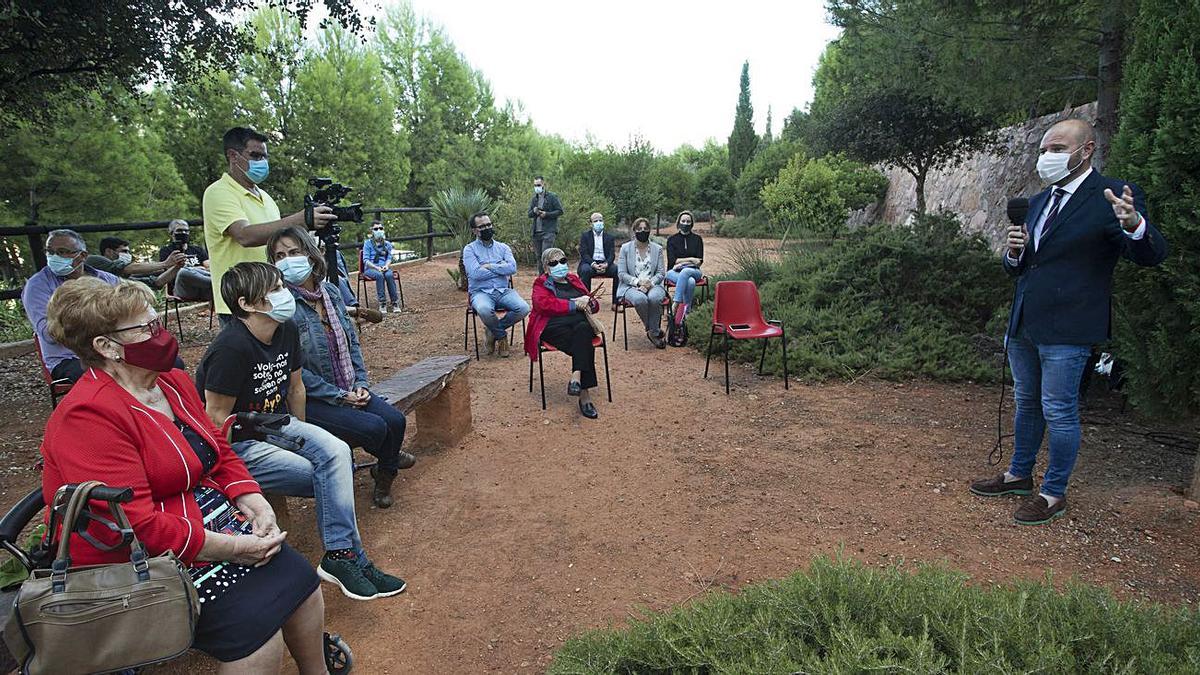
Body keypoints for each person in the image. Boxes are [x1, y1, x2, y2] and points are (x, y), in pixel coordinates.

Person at [40, 276, 331, 671]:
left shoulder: (172, 382)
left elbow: (218, 447)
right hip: (138, 554)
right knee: (257, 634)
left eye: (156, 321)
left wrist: (252, 498)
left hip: (200, 517)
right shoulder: (87, 415)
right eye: (146, 328)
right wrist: (233, 548)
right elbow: (136, 525)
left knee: (302, 583)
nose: (160, 333)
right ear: (107, 347)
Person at [970, 118, 1168, 525]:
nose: (1047, 157)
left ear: (1087, 150)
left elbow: (1151, 255)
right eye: (1043, 150)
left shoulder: (1109, 197)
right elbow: (1025, 266)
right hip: (1025, 321)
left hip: (1070, 326)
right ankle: (1018, 475)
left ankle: (1053, 493)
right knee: (1027, 402)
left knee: (1058, 409)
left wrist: (1133, 225)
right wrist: (1013, 254)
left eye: (1057, 149)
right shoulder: (1040, 201)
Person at [196, 261, 407, 600]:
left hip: (279, 425)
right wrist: (228, 476)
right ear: (247, 304)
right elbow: (215, 418)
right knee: (332, 475)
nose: (285, 294)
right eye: (275, 289)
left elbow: (296, 389)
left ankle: (343, 556)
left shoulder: (285, 329)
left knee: (337, 454)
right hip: (241, 444)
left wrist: (307, 439)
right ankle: (351, 558)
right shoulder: (231, 347)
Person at [268, 226, 415, 508]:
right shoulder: (283, 307)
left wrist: (360, 383)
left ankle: (384, 471)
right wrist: (339, 396)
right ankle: (390, 457)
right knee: (374, 428)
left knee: (395, 421)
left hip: (348, 385)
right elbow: (291, 370)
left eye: (294, 252)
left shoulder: (332, 293)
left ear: (310, 254)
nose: (287, 260)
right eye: (280, 255)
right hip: (311, 398)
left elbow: (351, 344)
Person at [202, 126, 336, 323]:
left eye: (264, 156)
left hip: (275, 297)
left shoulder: (266, 198)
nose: (262, 162)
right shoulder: (218, 193)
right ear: (233, 156)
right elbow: (244, 235)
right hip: (241, 303)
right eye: (255, 155)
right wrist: (302, 220)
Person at [23, 229, 120, 383]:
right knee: (115, 376)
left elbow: (128, 310)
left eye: (62, 252)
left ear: (82, 256)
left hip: (112, 350)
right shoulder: (37, 286)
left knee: (167, 362)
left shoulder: (107, 279)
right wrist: (98, 319)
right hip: (68, 359)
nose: (54, 257)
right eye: (49, 251)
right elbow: (49, 334)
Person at [525, 247, 603, 419]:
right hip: (553, 327)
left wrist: (590, 304)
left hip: (576, 330)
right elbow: (543, 305)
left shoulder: (574, 279)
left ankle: (577, 379)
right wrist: (574, 304)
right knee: (582, 329)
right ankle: (585, 396)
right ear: (546, 267)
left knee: (582, 330)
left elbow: (592, 302)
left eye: (562, 261)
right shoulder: (540, 283)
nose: (559, 265)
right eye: (554, 263)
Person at [463, 211, 530, 357]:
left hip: (503, 291)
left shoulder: (503, 247)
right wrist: (501, 267)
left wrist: (489, 266)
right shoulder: (469, 249)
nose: (487, 228)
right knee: (484, 309)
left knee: (524, 308)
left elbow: (512, 268)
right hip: (480, 292)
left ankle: (492, 330)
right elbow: (475, 274)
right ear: (474, 230)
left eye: (489, 224)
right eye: (482, 226)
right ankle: (501, 336)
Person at [616, 218, 667, 348]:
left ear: (650, 231)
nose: (642, 231)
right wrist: (639, 282)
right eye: (639, 229)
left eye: (645, 229)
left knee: (654, 298)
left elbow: (661, 272)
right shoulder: (625, 248)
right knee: (640, 299)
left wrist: (650, 283)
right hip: (631, 286)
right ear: (634, 231)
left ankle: (652, 331)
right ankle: (653, 330)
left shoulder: (658, 249)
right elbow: (621, 274)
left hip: (654, 284)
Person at [88, 235, 186, 289]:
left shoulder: (121, 278)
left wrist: (177, 267)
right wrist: (165, 263)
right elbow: (130, 268)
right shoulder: (94, 261)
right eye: (124, 251)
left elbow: (158, 282)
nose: (128, 255)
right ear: (109, 251)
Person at [665, 210, 704, 328]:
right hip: (674, 272)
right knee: (690, 281)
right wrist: (691, 259)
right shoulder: (672, 239)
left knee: (687, 272)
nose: (685, 223)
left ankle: (675, 304)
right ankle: (687, 312)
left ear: (692, 223)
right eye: (683, 221)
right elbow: (672, 260)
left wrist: (686, 261)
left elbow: (699, 261)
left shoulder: (697, 239)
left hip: (694, 271)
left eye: (688, 221)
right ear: (679, 222)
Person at [159, 219, 213, 301]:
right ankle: (218, 283)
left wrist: (193, 269)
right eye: (179, 231)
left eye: (186, 231)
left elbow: (209, 268)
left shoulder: (198, 250)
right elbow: (167, 273)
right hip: (183, 290)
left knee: (185, 270)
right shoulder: (167, 251)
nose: (183, 233)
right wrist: (197, 268)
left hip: (203, 289)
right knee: (183, 272)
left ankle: (215, 282)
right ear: (171, 233)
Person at [361, 220, 401, 312]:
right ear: (372, 231)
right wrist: (376, 268)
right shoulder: (367, 243)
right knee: (379, 276)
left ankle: (395, 302)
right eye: (376, 229)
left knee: (389, 275)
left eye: (380, 228)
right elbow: (365, 260)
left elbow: (389, 257)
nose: (378, 230)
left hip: (384, 267)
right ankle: (382, 303)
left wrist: (386, 266)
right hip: (371, 268)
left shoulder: (387, 244)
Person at [527, 175, 563, 274]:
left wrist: (546, 214)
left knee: (546, 256)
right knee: (539, 257)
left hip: (548, 231)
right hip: (536, 231)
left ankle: (549, 277)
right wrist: (534, 211)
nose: (536, 187)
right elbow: (529, 214)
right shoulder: (534, 199)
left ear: (543, 184)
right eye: (535, 185)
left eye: (538, 185)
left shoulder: (552, 197)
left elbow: (560, 211)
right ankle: (541, 279)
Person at [577, 211, 617, 291]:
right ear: (591, 224)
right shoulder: (585, 236)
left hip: (605, 263)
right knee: (585, 270)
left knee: (617, 270)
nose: (598, 222)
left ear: (603, 222)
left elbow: (611, 254)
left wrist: (606, 264)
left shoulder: (609, 237)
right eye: (595, 221)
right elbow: (584, 254)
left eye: (600, 220)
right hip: (590, 263)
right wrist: (593, 264)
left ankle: (616, 300)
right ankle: (587, 299)